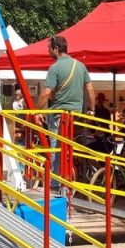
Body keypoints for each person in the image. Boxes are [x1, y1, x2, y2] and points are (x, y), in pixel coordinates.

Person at [36, 35, 95, 188]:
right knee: (67, 148)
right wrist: (92, 110)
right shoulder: (80, 66)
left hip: (59, 115)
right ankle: (67, 180)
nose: (48, 51)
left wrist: (36, 112)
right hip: (76, 116)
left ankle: (55, 184)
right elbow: (90, 89)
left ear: (56, 49)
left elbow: (46, 93)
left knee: (55, 148)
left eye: (49, 48)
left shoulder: (55, 68)